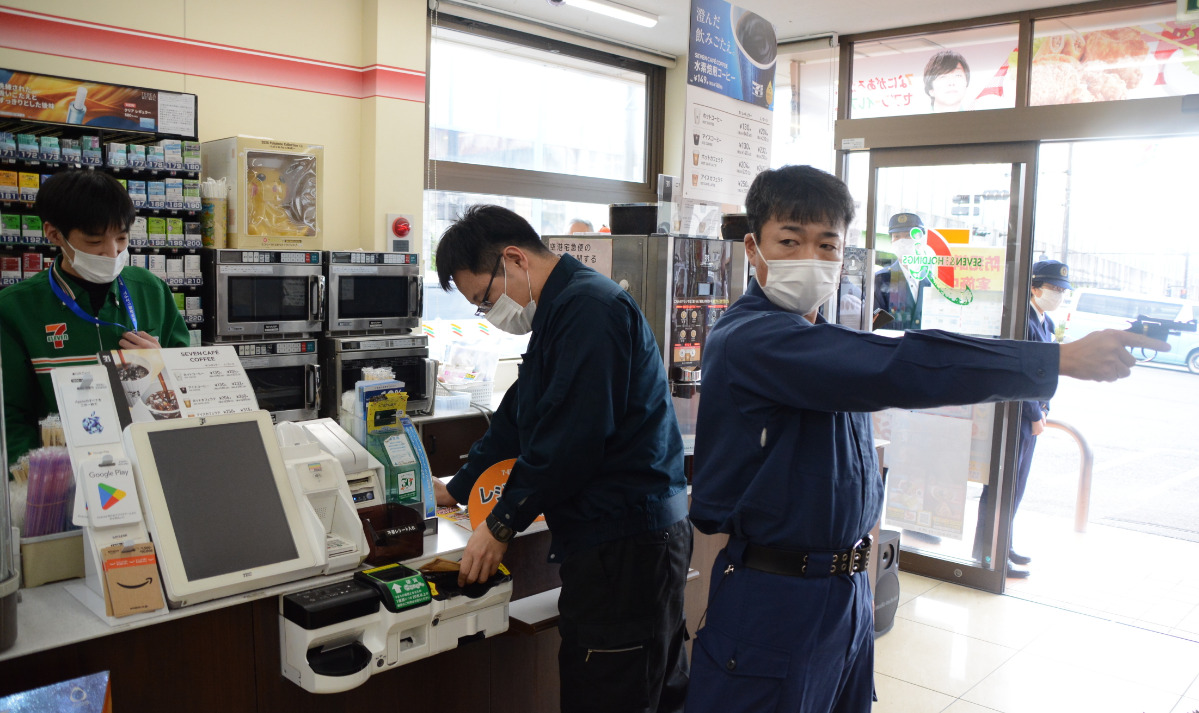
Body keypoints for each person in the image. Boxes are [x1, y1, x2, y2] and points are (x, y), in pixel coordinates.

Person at [684, 165, 1165, 713]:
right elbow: (900, 366)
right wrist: (1055, 359)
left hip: (843, 590)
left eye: (827, 244)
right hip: (773, 595)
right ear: (754, 247)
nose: (810, 258)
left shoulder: (817, 336)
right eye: (789, 241)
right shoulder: (754, 339)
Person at [432, 204, 691, 713]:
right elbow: (519, 415)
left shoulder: (589, 308)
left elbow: (570, 441)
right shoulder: (559, 311)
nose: (489, 314)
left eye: (484, 299)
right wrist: (458, 487)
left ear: (514, 260)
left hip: (630, 544)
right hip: (611, 541)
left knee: (617, 690)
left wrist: (501, 525)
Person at [1, 170, 189, 469]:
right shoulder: (16, 307)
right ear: (53, 234)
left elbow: (189, 384)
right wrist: (28, 477)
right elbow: (10, 411)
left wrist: (161, 365)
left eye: (122, 238)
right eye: (93, 241)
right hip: (62, 472)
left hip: (148, 460)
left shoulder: (151, 290)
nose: (111, 252)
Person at [1010, 258, 1073, 573]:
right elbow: (1024, 377)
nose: (1059, 294)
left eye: (1063, 290)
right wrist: (1035, 413)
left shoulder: (1045, 321)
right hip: (1018, 416)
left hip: (1034, 415)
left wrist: (1044, 409)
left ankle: (1003, 544)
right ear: (1033, 287)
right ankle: (990, 552)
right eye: (1054, 288)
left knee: (1017, 484)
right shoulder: (1023, 321)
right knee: (1004, 486)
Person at [873, 211, 931, 330]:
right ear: (892, 242)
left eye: (908, 235)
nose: (902, 241)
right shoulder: (881, 279)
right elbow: (876, 325)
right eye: (897, 237)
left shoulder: (932, 279)